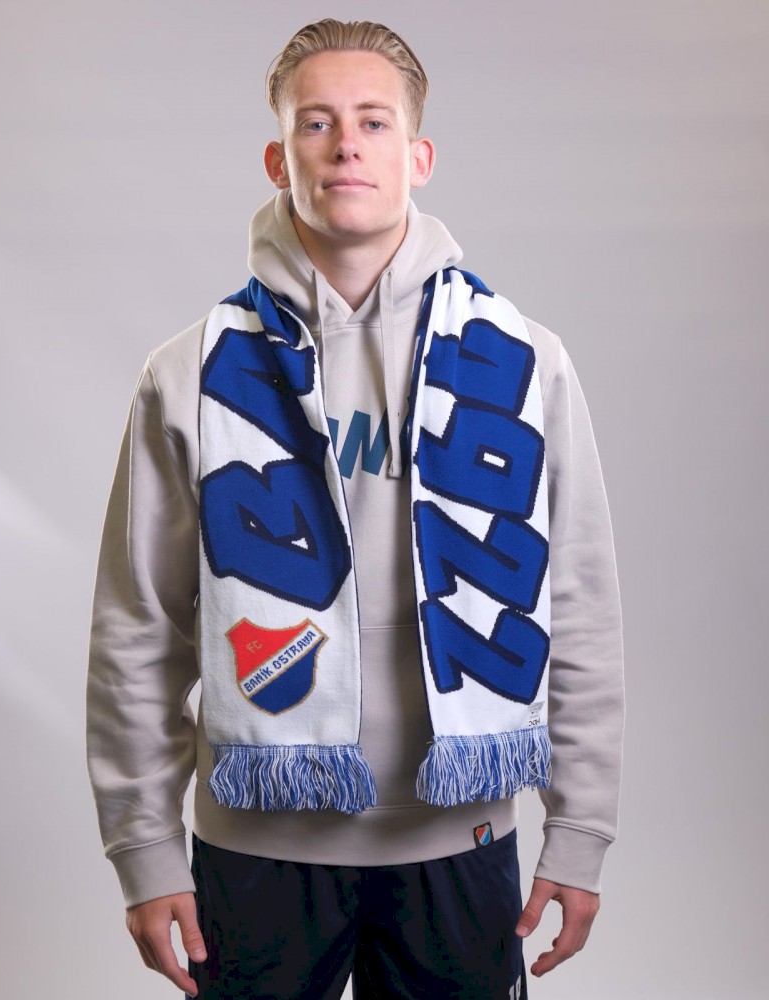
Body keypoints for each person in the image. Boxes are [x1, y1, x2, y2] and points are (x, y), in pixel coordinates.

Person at [87, 18, 624, 1000]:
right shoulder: (189, 374)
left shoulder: (521, 364)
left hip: (457, 840)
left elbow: (579, 603)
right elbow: (139, 627)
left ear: (417, 156)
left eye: (374, 122)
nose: (346, 146)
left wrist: (579, 828)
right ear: (278, 157)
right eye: (317, 122)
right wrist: (146, 848)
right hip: (255, 851)